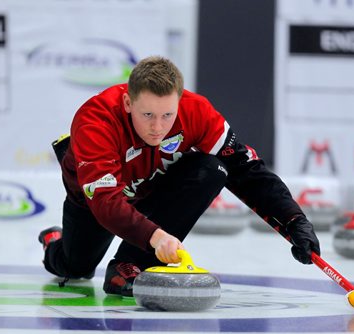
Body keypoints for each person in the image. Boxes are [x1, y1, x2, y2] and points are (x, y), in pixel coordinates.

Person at [38, 56, 320, 296]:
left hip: (152, 185)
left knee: (214, 168)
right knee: (75, 268)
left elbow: (246, 168)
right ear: (127, 102)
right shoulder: (95, 120)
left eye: (167, 116)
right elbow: (105, 202)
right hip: (96, 197)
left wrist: (294, 220)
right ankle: (54, 240)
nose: (157, 128)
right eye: (147, 114)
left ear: (180, 102)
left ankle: (131, 264)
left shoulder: (196, 111)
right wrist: (157, 237)